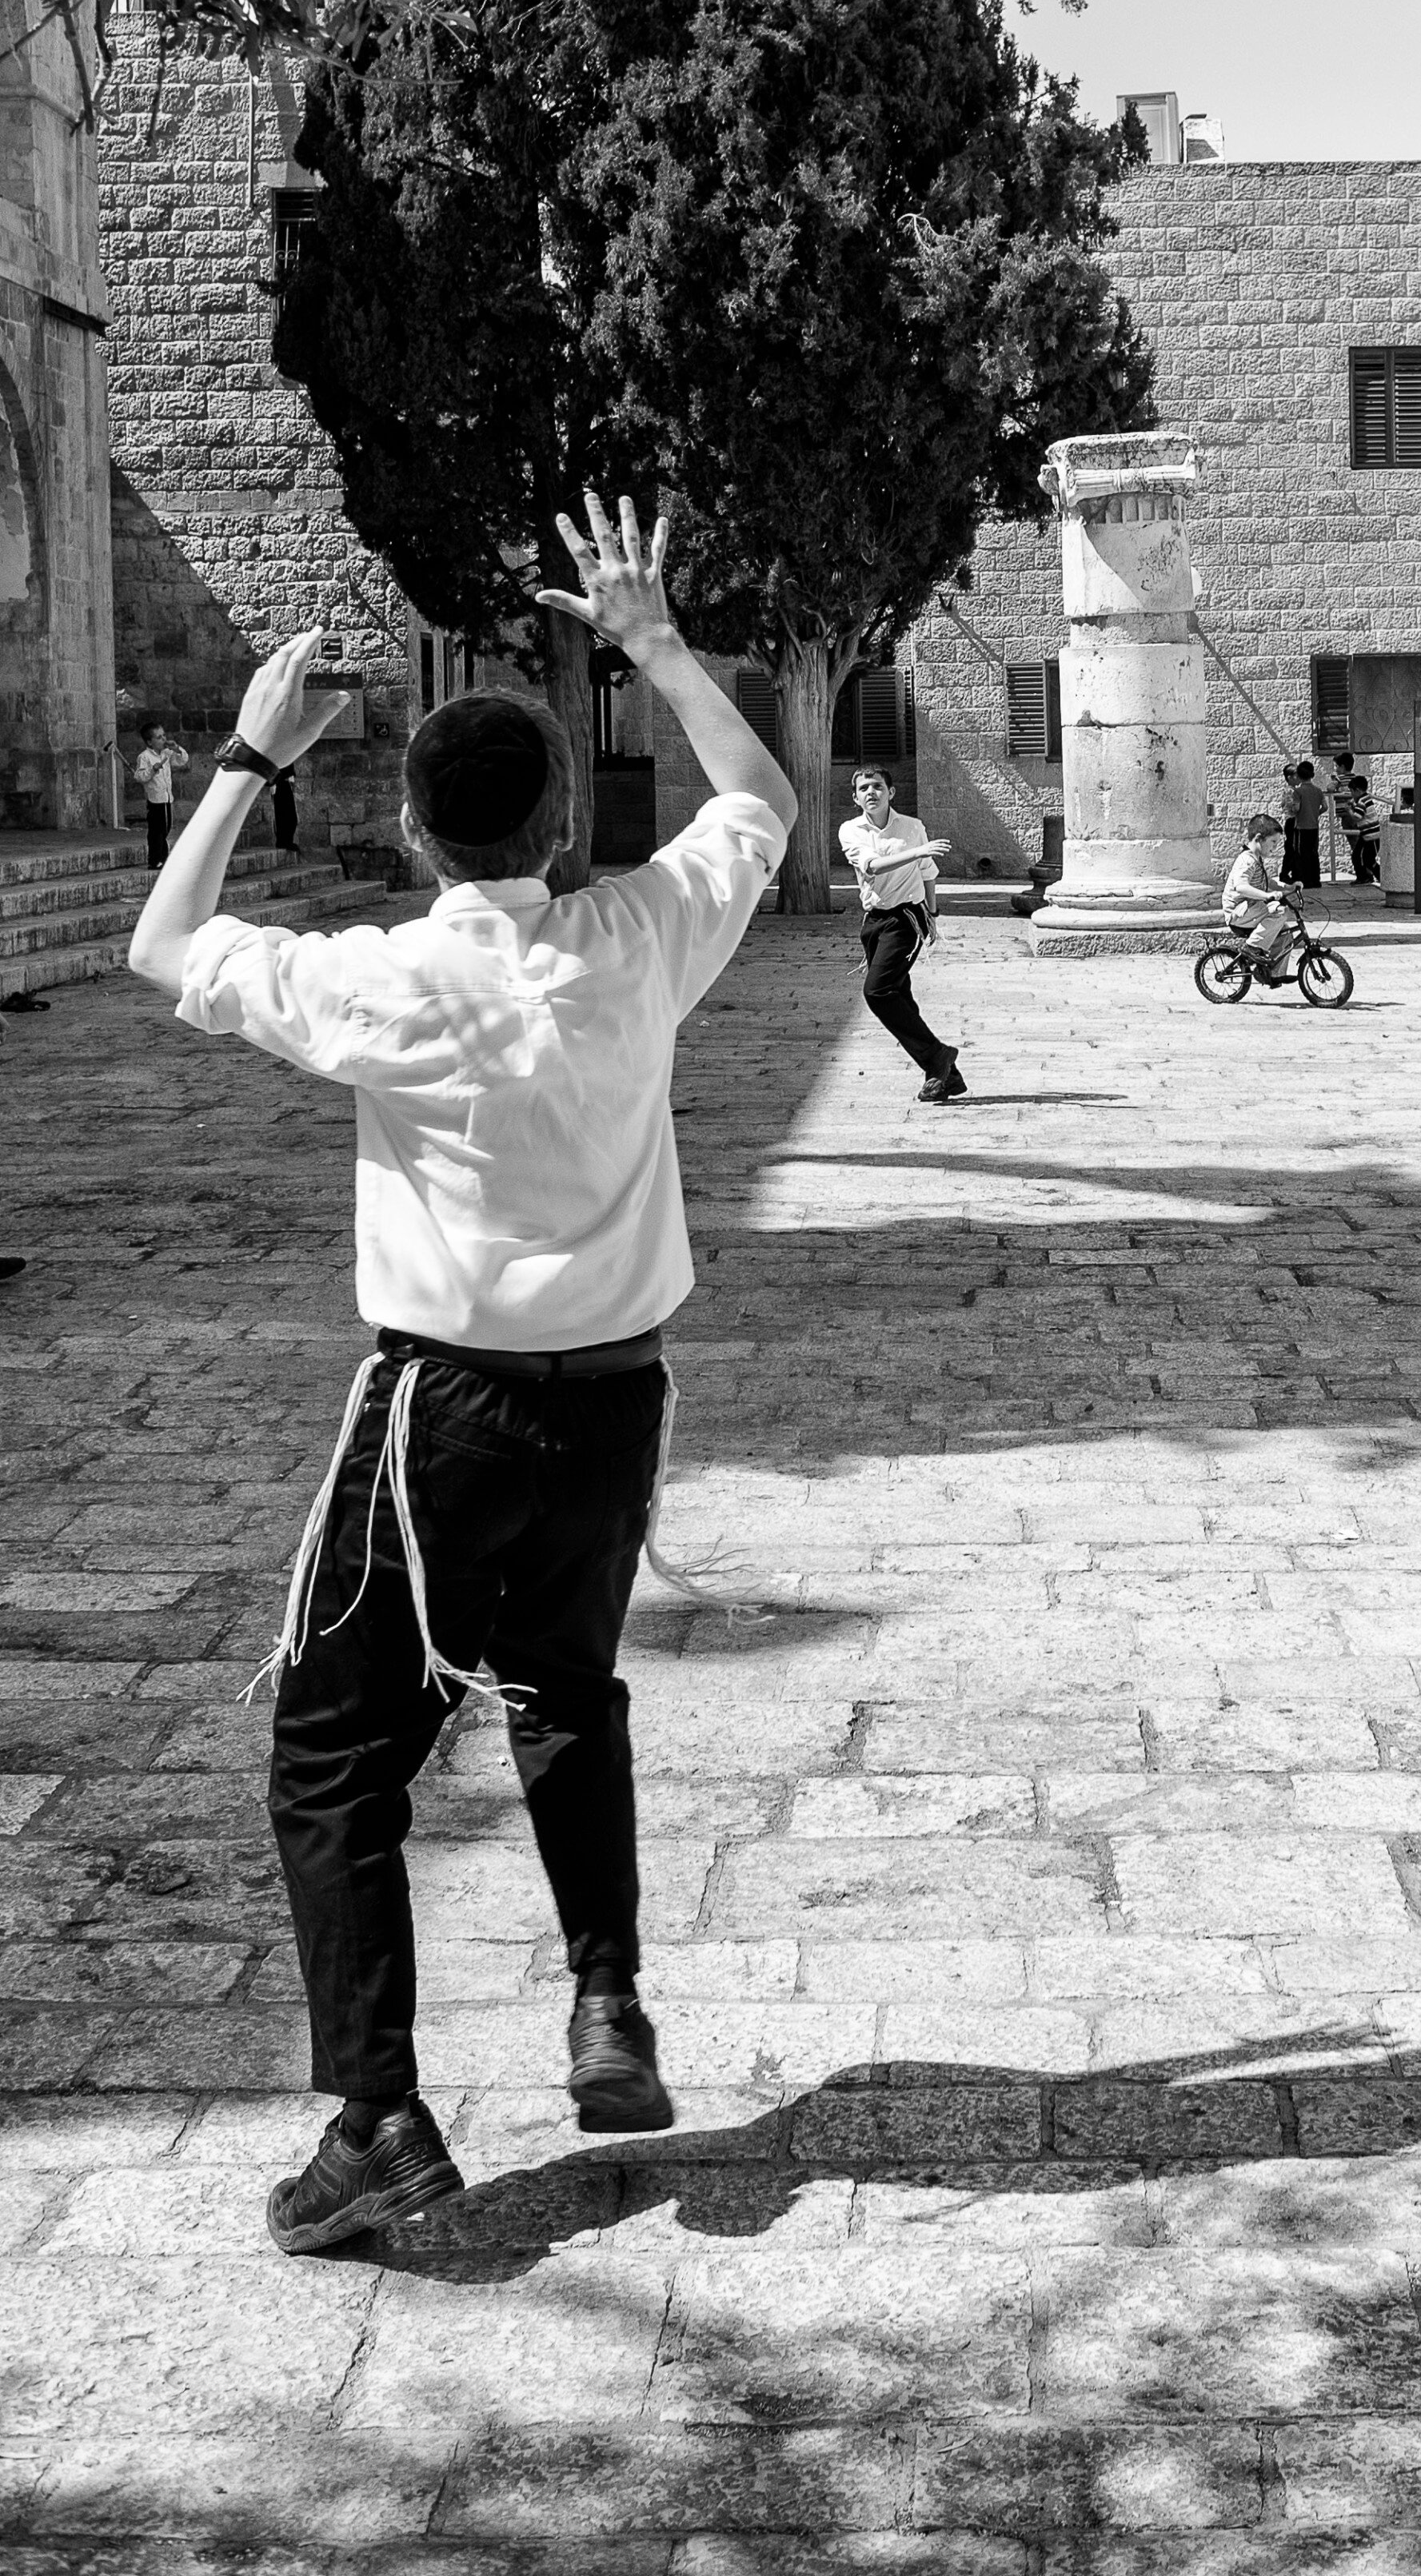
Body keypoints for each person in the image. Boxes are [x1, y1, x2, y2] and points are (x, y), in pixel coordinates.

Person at [126, 490, 797, 2257]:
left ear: (418, 831)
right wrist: (650, 640)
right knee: (566, 1682)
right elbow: (761, 803)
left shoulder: (389, 982)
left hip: (446, 1407)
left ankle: (378, 2115)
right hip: (615, 1396)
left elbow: (161, 946)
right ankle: (603, 2002)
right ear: (561, 820)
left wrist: (248, 759)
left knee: (332, 1750)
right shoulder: (640, 944)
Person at [839, 764, 965, 1103]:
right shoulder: (851, 831)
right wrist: (918, 851)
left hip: (907, 919)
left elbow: (928, 872)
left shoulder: (912, 827)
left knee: (878, 992)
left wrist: (933, 914)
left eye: (878, 786)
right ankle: (945, 1074)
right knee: (900, 999)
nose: (871, 793)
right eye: (864, 788)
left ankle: (938, 1057)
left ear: (890, 792)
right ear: (856, 798)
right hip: (874, 921)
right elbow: (872, 867)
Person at [1222, 813, 1292, 977]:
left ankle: (1272, 975)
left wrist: (1289, 887)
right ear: (1260, 838)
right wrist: (1266, 896)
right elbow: (1241, 887)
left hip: (1252, 909)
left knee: (1285, 934)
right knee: (1280, 912)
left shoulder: (1256, 859)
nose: (1275, 847)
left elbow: (1268, 882)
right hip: (1239, 913)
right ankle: (1252, 947)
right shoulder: (1246, 860)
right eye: (1273, 842)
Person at [134, 724, 190, 871]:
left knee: (166, 828)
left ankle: (163, 858)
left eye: (164, 735)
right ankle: (155, 859)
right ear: (149, 742)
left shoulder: (167, 753)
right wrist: (153, 770)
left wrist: (176, 748)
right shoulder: (144, 757)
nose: (163, 739)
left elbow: (182, 760)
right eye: (159, 737)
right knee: (156, 831)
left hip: (166, 798)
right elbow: (139, 776)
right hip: (155, 800)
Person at [1282, 756, 1327, 888]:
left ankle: (1303, 880)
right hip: (1314, 825)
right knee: (1314, 852)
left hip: (1301, 826)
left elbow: (1296, 808)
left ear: (1300, 776)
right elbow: (1325, 807)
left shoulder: (1298, 791)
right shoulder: (1318, 791)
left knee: (1301, 853)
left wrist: (1301, 813)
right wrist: (1314, 813)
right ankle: (1315, 880)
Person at [1338, 772, 1381, 886]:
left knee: (1365, 858)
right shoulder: (1366, 798)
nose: (1351, 795)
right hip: (1368, 834)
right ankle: (1368, 877)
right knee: (1363, 857)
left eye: (1352, 792)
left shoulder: (1362, 802)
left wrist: (1349, 811)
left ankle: (1373, 877)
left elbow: (1357, 817)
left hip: (1371, 836)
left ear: (1357, 790)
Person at [270, 765, 299, 855]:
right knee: (283, 814)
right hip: (279, 781)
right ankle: (283, 841)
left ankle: (286, 841)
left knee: (290, 815)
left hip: (283, 780)